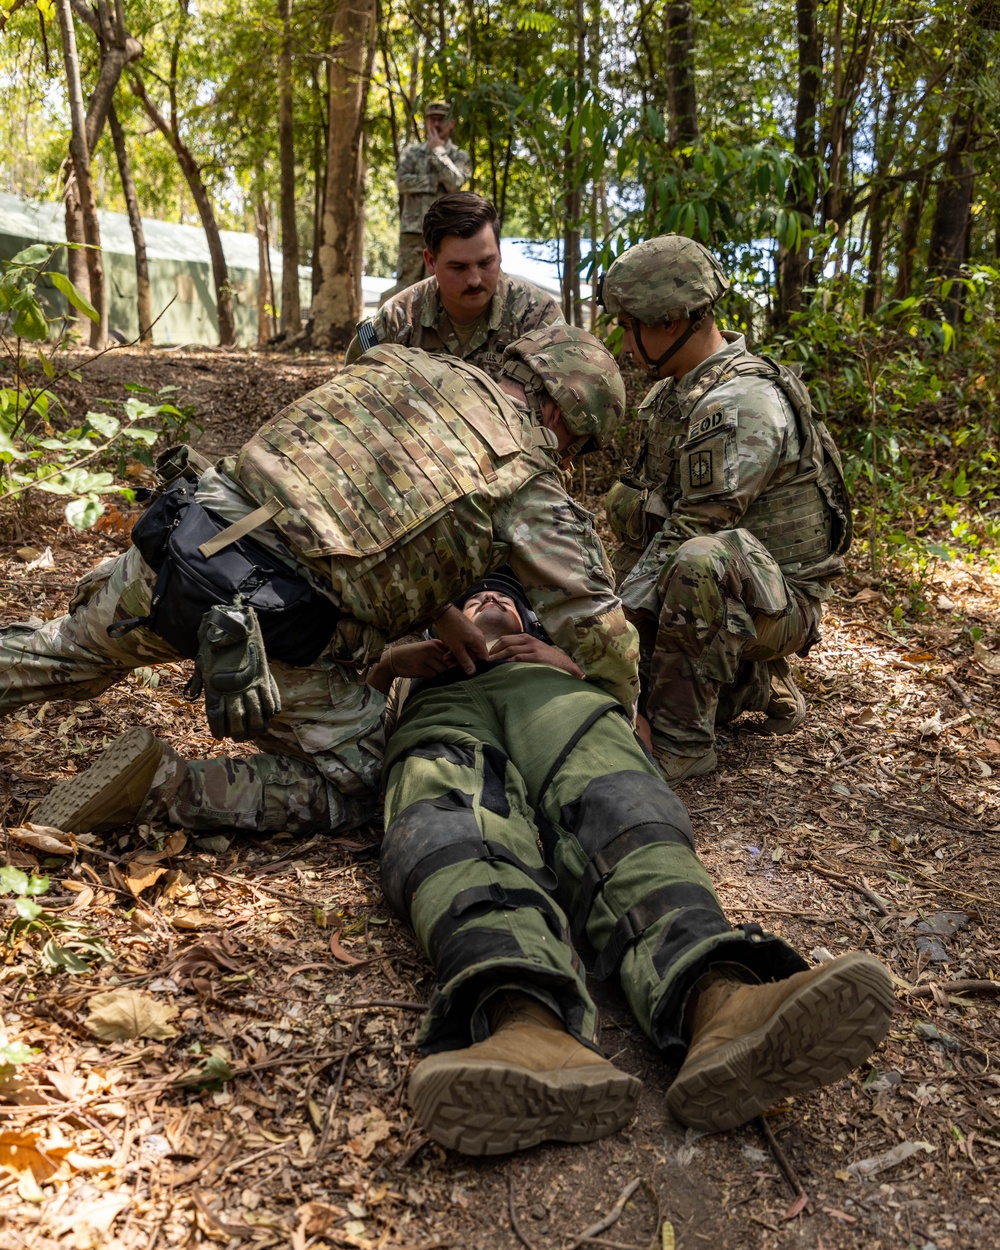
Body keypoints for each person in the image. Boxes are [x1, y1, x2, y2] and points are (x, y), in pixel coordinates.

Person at [11, 328, 638, 839]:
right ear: (562, 414)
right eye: (576, 446)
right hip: (277, 623)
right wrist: (609, 710)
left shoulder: (402, 365)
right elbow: (599, 626)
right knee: (382, 781)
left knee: (59, 654)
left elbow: (353, 501)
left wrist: (444, 611)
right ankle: (164, 787)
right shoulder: (526, 479)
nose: (568, 459)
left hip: (183, 544)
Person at [374, 571, 894, 1156]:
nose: (490, 600)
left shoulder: (559, 653)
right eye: (475, 597)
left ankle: (718, 1002)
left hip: (552, 695)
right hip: (439, 708)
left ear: (533, 621)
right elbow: (336, 711)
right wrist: (392, 664)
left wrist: (564, 660)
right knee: (449, 827)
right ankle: (524, 1025)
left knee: (621, 803)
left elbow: (627, 694)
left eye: (506, 598)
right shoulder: (407, 663)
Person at [600, 235, 853, 785]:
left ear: (670, 321)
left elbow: (696, 533)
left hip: (779, 599)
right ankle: (752, 684)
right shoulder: (677, 391)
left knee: (694, 563)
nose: (622, 343)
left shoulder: (738, 404)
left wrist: (610, 633)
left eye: (628, 324)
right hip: (738, 583)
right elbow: (648, 515)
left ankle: (682, 743)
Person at [347, 193, 562, 379]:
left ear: (499, 253)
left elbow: (566, 407)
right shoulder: (397, 320)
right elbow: (354, 399)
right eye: (459, 267)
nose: (474, 280)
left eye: (486, 263)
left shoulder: (537, 316)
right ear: (431, 261)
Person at [384, 102, 471, 299]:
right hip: (413, 232)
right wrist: (433, 182)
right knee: (406, 290)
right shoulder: (412, 153)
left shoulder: (459, 155)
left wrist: (439, 153)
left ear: (451, 123)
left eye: (441, 119)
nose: (436, 124)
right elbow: (402, 182)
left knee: (441, 288)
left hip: (446, 232)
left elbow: (455, 182)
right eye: (432, 120)